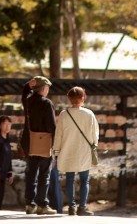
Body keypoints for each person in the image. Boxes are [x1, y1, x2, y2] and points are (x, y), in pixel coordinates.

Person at [54, 87, 99, 216]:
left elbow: (58, 135)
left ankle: (71, 207)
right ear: (83, 97)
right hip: (84, 150)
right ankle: (83, 207)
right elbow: (94, 134)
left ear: (69, 98)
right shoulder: (89, 114)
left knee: (69, 179)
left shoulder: (64, 114)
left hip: (68, 150)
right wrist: (94, 145)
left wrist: (56, 151)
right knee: (85, 180)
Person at [21, 75, 57, 215]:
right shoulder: (47, 103)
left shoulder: (28, 101)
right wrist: (56, 143)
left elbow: (24, 92)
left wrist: (27, 86)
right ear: (43, 88)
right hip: (44, 142)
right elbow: (51, 126)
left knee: (31, 174)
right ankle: (42, 204)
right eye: (47, 87)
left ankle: (29, 204)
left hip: (30, 142)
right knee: (44, 175)